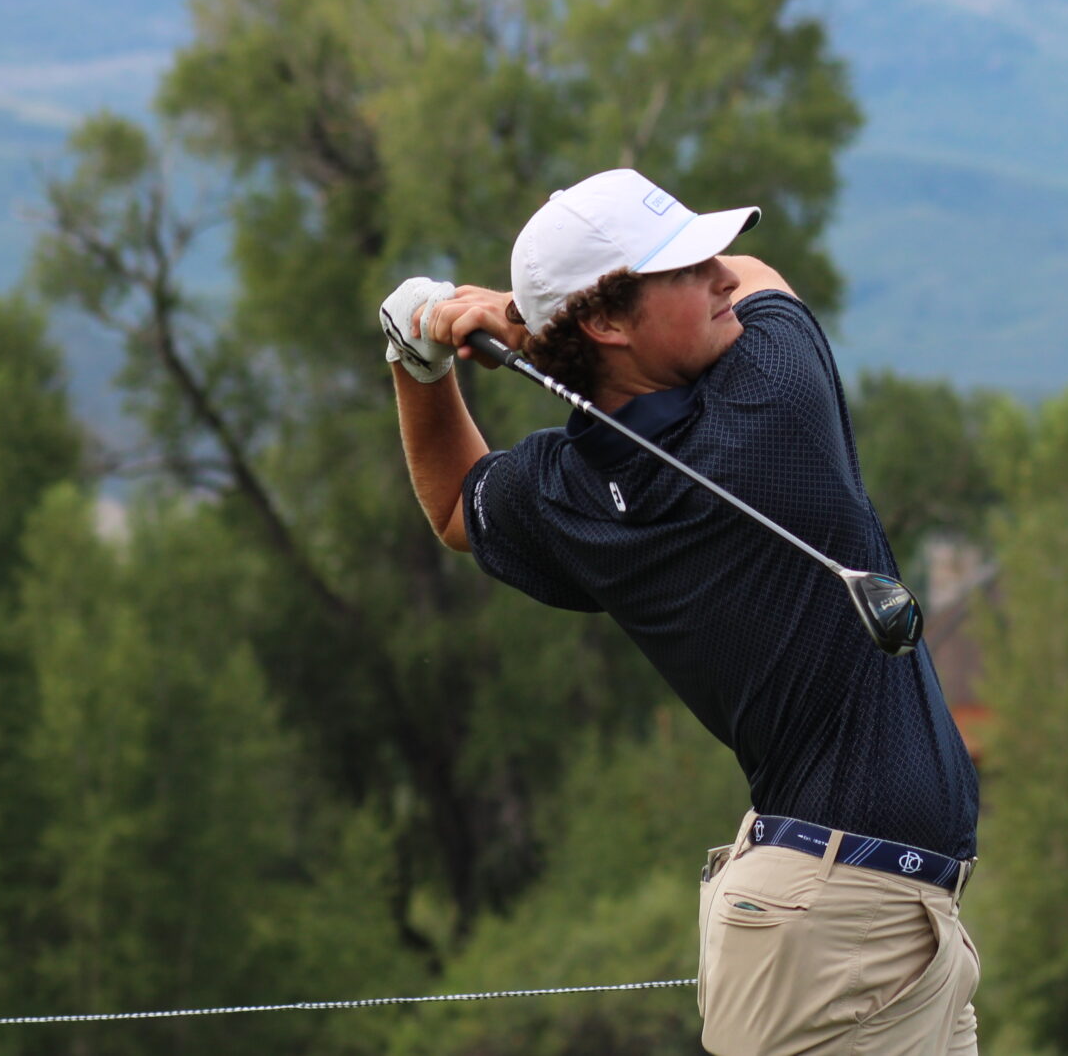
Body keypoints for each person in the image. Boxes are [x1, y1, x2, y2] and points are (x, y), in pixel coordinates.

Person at [378, 167, 981, 1056]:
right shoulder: (771, 399)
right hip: (834, 931)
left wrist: (416, 357)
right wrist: (517, 314)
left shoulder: (569, 494)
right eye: (688, 269)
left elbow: (455, 506)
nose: (724, 276)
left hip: (871, 921)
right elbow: (768, 277)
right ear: (609, 322)